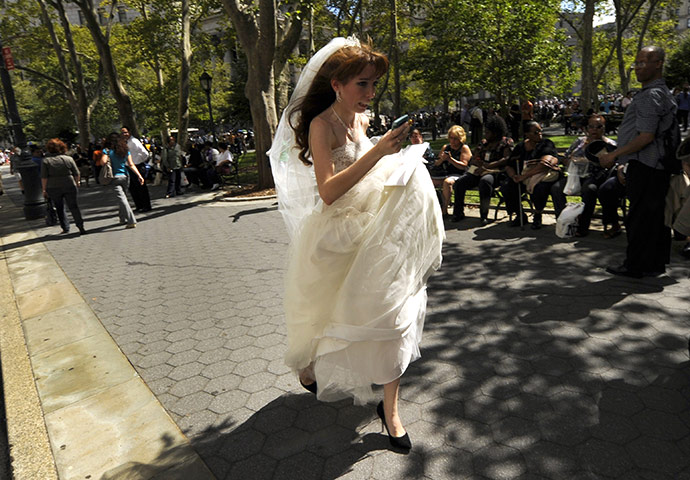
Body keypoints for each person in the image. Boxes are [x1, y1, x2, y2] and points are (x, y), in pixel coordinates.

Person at [268, 37, 443, 451]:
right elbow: (328, 191)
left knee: (393, 317)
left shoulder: (363, 122)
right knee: (329, 317)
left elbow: (371, 170)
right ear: (337, 85)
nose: (370, 93)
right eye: (363, 84)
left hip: (379, 233)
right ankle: (310, 369)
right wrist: (381, 151)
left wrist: (399, 155)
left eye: (373, 85)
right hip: (337, 236)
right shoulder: (320, 125)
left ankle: (391, 409)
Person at [600, 46, 677, 278]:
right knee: (653, 217)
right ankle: (654, 263)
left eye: (645, 62)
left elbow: (646, 136)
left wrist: (614, 156)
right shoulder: (662, 92)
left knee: (640, 217)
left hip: (647, 166)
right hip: (656, 166)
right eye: (637, 63)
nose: (638, 67)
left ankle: (635, 265)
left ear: (659, 64)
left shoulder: (650, 96)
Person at [558, 115, 622, 237]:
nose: (594, 130)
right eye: (591, 127)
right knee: (556, 188)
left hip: (596, 177)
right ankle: (563, 221)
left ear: (604, 128)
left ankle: (583, 226)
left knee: (589, 188)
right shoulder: (579, 142)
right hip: (575, 177)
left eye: (598, 127)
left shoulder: (610, 144)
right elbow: (565, 158)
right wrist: (573, 160)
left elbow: (616, 164)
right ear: (586, 128)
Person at [451, 115, 514, 224]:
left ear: (495, 132)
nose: (485, 134)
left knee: (485, 181)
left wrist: (487, 166)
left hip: (496, 173)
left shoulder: (505, 142)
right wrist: (477, 161)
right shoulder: (484, 143)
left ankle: (483, 215)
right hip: (479, 171)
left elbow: (506, 159)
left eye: (488, 132)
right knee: (460, 182)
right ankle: (458, 213)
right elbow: (474, 157)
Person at [504, 121, 565, 229]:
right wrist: (514, 176)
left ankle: (537, 214)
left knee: (539, 187)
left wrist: (524, 176)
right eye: (536, 132)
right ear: (527, 134)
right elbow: (509, 165)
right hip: (523, 177)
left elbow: (544, 165)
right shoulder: (520, 147)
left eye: (540, 131)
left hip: (543, 177)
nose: (539, 134)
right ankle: (520, 215)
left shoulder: (546, 144)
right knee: (507, 187)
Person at [97, 132, 144, 229]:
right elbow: (131, 164)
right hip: (125, 176)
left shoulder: (107, 151)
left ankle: (131, 221)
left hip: (114, 178)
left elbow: (103, 162)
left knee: (122, 199)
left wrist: (104, 154)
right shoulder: (125, 150)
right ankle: (122, 218)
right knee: (123, 198)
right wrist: (139, 175)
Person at [40, 138, 86, 235]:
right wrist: (77, 182)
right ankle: (80, 226)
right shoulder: (68, 159)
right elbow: (77, 173)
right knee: (74, 206)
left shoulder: (46, 161)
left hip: (53, 186)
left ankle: (65, 227)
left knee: (59, 207)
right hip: (69, 184)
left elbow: (44, 177)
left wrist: (44, 190)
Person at [431, 125, 471, 216]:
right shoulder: (446, 147)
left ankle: (444, 210)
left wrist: (450, 159)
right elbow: (436, 163)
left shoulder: (464, 148)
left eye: (455, 139)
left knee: (447, 182)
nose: (452, 141)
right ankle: (432, 207)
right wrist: (442, 159)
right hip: (445, 173)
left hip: (459, 175)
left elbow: (463, 166)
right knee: (429, 182)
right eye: (451, 138)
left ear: (460, 138)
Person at [121, 126, 152, 212]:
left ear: (129, 132)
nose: (124, 134)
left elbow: (145, 153)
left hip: (137, 166)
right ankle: (139, 205)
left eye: (125, 132)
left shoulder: (134, 141)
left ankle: (146, 205)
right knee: (132, 187)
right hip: (129, 167)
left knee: (141, 187)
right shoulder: (125, 142)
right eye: (122, 133)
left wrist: (139, 161)